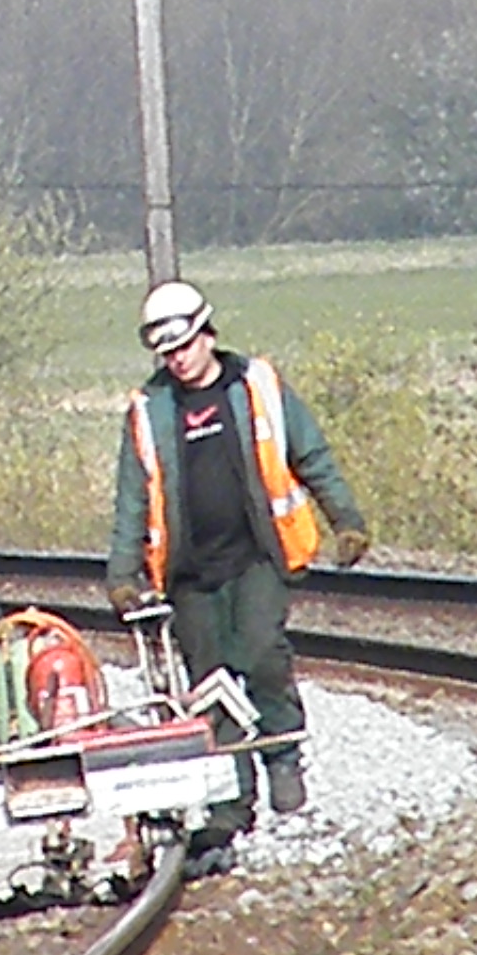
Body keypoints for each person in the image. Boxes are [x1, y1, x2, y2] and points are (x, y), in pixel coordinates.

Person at [104, 280, 369, 878]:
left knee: (259, 651)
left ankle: (281, 753)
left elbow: (311, 454)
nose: (177, 358)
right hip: (191, 575)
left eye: (184, 345)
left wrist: (345, 519)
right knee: (210, 685)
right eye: (165, 351)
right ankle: (230, 802)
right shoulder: (150, 411)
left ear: (207, 333)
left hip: (258, 557)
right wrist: (122, 573)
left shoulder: (257, 387)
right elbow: (130, 501)